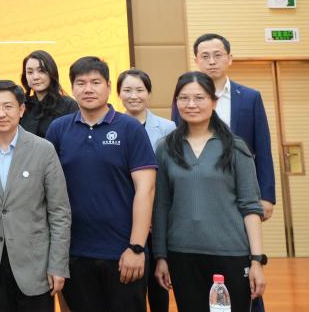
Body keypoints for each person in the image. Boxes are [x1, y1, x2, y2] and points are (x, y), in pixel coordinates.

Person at [45, 56, 157, 312]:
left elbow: (146, 189)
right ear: (72, 88)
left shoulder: (130, 128)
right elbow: (48, 190)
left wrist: (136, 247)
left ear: (108, 86)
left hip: (122, 254)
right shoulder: (58, 129)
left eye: (95, 82)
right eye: (81, 83)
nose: (88, 89)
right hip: (75, 254)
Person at [153, 71, 267, 312]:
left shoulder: (235, 147)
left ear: (213, 102)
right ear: (176, 102)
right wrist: (161, 256)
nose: (191, 104)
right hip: (182, 253)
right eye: (184, 98)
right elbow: (161, 205)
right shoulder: (165, 148)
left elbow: (250, 206)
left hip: (231, 252)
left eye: (199, 98)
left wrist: (257, 260)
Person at [0, 80, 70, 312]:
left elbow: (59, 212)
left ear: (21, 110)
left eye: (8, 106)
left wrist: (58, 265)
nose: (1, 113)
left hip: (35, 265)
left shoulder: (43, 149)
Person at [190, 33, 276, 220]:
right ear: (196, 61)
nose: (212, 61)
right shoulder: (185, 99)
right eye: (205, 56)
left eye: (217, 55)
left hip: (241, 185)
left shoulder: (250, 97)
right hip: (197, 186)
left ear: (230, 58)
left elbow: (263, 148)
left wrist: (267, 196)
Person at [117, 67, 175, 312]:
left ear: (149, 93)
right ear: (118, 94)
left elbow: (171, 176)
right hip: (124, 218)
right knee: (130, 287)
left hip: (159, 217)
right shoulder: (112, 127)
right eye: (127, 90)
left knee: (159, 285)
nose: (134, 96)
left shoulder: (168, 128)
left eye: (139, 90)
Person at [19, 50, 77, 138]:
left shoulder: (69, 106)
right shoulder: (22, 105)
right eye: (30, 72)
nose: (35, 77)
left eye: (41, 71)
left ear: (51, 72)